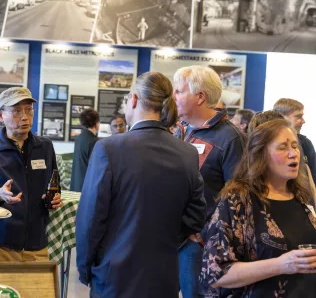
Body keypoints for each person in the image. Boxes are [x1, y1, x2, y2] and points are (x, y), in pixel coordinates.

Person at [76, 72, 206, 297]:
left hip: (114, 275)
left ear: (134, 99)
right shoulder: (187, 152)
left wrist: (85, 268)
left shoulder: (108, 149)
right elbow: (195, 216)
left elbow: (91, 218)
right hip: (164, 276)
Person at [200, 119, 316, 297]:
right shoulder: (238, 201)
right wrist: (280, 265)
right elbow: (216, 273)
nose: (293, 154)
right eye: (283, 147)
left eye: (295, 146)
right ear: (260, 154)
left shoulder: (301, 197)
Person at [172, 65, 245, 298]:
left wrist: (204, 234)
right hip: (170, 239)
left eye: (179, 91)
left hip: (198, 245)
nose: (173, 97)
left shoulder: (230, 139)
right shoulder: (181, 130)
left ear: (200, 97)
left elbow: (238, 197)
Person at [0, 87, 62, 263]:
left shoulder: (45, 147)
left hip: (37, 246)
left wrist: (54, 198)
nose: (25, 117)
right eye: (17, 111)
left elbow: (54, 185)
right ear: (0, 115)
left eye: (29, 110)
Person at [273, 98, 316, 184]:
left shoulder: (305, 143)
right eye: (298, 117)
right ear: (281, 117)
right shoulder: (267, 142)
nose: (303, 121)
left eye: (294, 146)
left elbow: (314, 177)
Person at [70, 108, 100, 192]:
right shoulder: (95, 141)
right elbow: (95, 168)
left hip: (76, 184)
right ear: (96, 124)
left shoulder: (79, 138)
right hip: (87, 187)